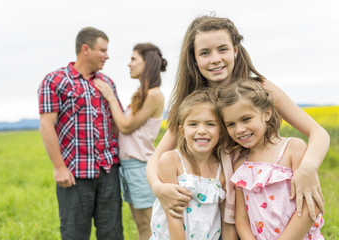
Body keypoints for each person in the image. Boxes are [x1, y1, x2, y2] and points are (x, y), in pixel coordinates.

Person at [146, 14, 329, 229]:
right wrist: (158, 187)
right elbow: (155, 158)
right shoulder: (196, 104)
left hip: (266, 205)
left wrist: (308, 167)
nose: (215, 59)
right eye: (205, 53)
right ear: (194, 59)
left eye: (222, 49)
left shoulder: (260, 89)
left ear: (235, 50)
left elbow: (318, 133)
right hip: (216, 213)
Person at [38, 27, 123, 240]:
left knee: (112, 234)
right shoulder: (55, 81)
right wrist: (59, 168)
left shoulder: (107, 83)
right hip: (74, 174)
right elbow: (47, 125)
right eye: (102, 50)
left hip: (107, 170)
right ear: (85, 49)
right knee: (74, 234)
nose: (107, 55)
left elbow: (117, 123)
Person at [216, 80, 324, 239]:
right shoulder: (241, 164)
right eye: (231, 124)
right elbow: (241, 219)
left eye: (246, 119)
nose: (239, 129)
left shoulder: (293, 149)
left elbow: (310, 207)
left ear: (267, 113)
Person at [93, 43, 166, 240]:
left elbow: (126, 126)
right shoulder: (142, 93)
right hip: (130, 166)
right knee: (142, 225)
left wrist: (109, 96)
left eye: (134, 59)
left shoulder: (154, 94)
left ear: (147, 63)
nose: (129, 64)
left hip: (140, 166)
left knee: (149, 226)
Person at [149, 89, 235, 240]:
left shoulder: (221, 171)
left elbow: (225, 220)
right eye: (193, 124)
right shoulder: (171, 161)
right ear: (182, 131)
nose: (201, 131)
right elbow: (174, 217)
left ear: (221, 132)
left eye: (210, 124)